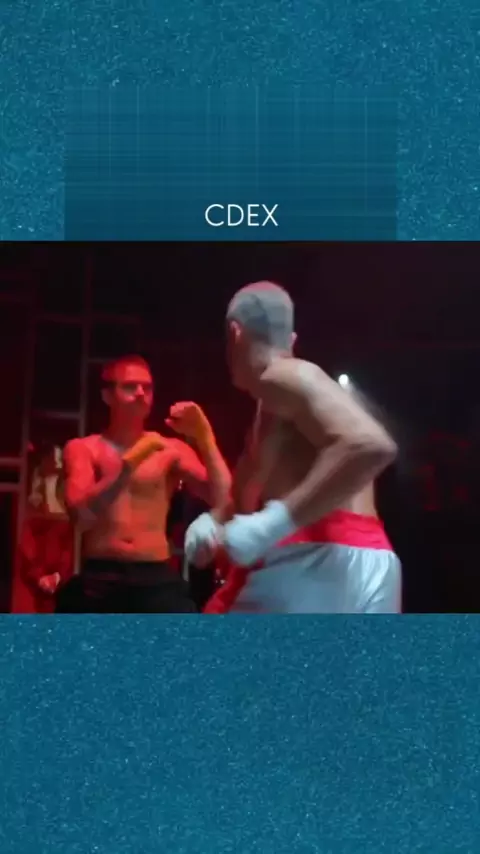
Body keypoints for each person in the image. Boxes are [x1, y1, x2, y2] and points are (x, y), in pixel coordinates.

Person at [185, 282, 402, 613]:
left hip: (314, 558)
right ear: (291, 338)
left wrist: (273, 523)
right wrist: (213, 525)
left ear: (235, 333)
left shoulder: (284, 375)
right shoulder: (276, 405)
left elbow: (371, 445)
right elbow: (245, 499)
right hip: (374, 564)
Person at [56, 354, 231, 613]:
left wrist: (205, 438)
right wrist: (128, 465)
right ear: (107, 395)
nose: (140, 393)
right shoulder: (84, 448)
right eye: (130, 386)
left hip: (155, 576)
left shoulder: (169, 449)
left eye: (147, 387)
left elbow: (224, 499)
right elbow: (81, 516)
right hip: (101, 576)